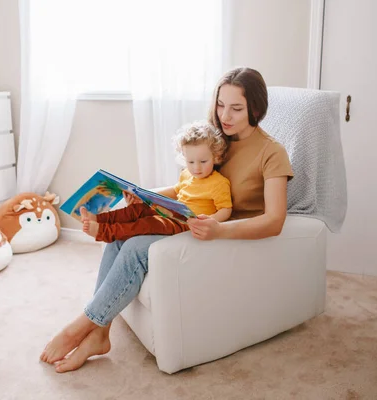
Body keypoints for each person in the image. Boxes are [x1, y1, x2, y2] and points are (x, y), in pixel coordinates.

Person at [40, 67, 294, 373]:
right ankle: (100, 334)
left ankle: (79, 327)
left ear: (255, 108)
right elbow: (186, 187)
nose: (225, 115)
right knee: (118, 236)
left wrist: (219, 230)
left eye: (236, 108)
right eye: (220, 104)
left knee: (135, 247)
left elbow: (275, 220)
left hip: (224, 235)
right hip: (193, 223)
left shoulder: (272, 153)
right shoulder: (219, 140)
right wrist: (142, 194)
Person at [79, 121, 232, 243]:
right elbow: (175, 191)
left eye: (203, 161)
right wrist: (145, 196)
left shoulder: (219, 183)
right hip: (174, 213)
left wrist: (209, 222)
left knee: (149, 223)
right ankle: (99, 219)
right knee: (138, 209)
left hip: (187, 224)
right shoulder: (186, 174)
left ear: (216, 157)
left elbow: (226, 209)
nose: (196, 168)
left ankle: (104, 232)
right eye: (190, 162)